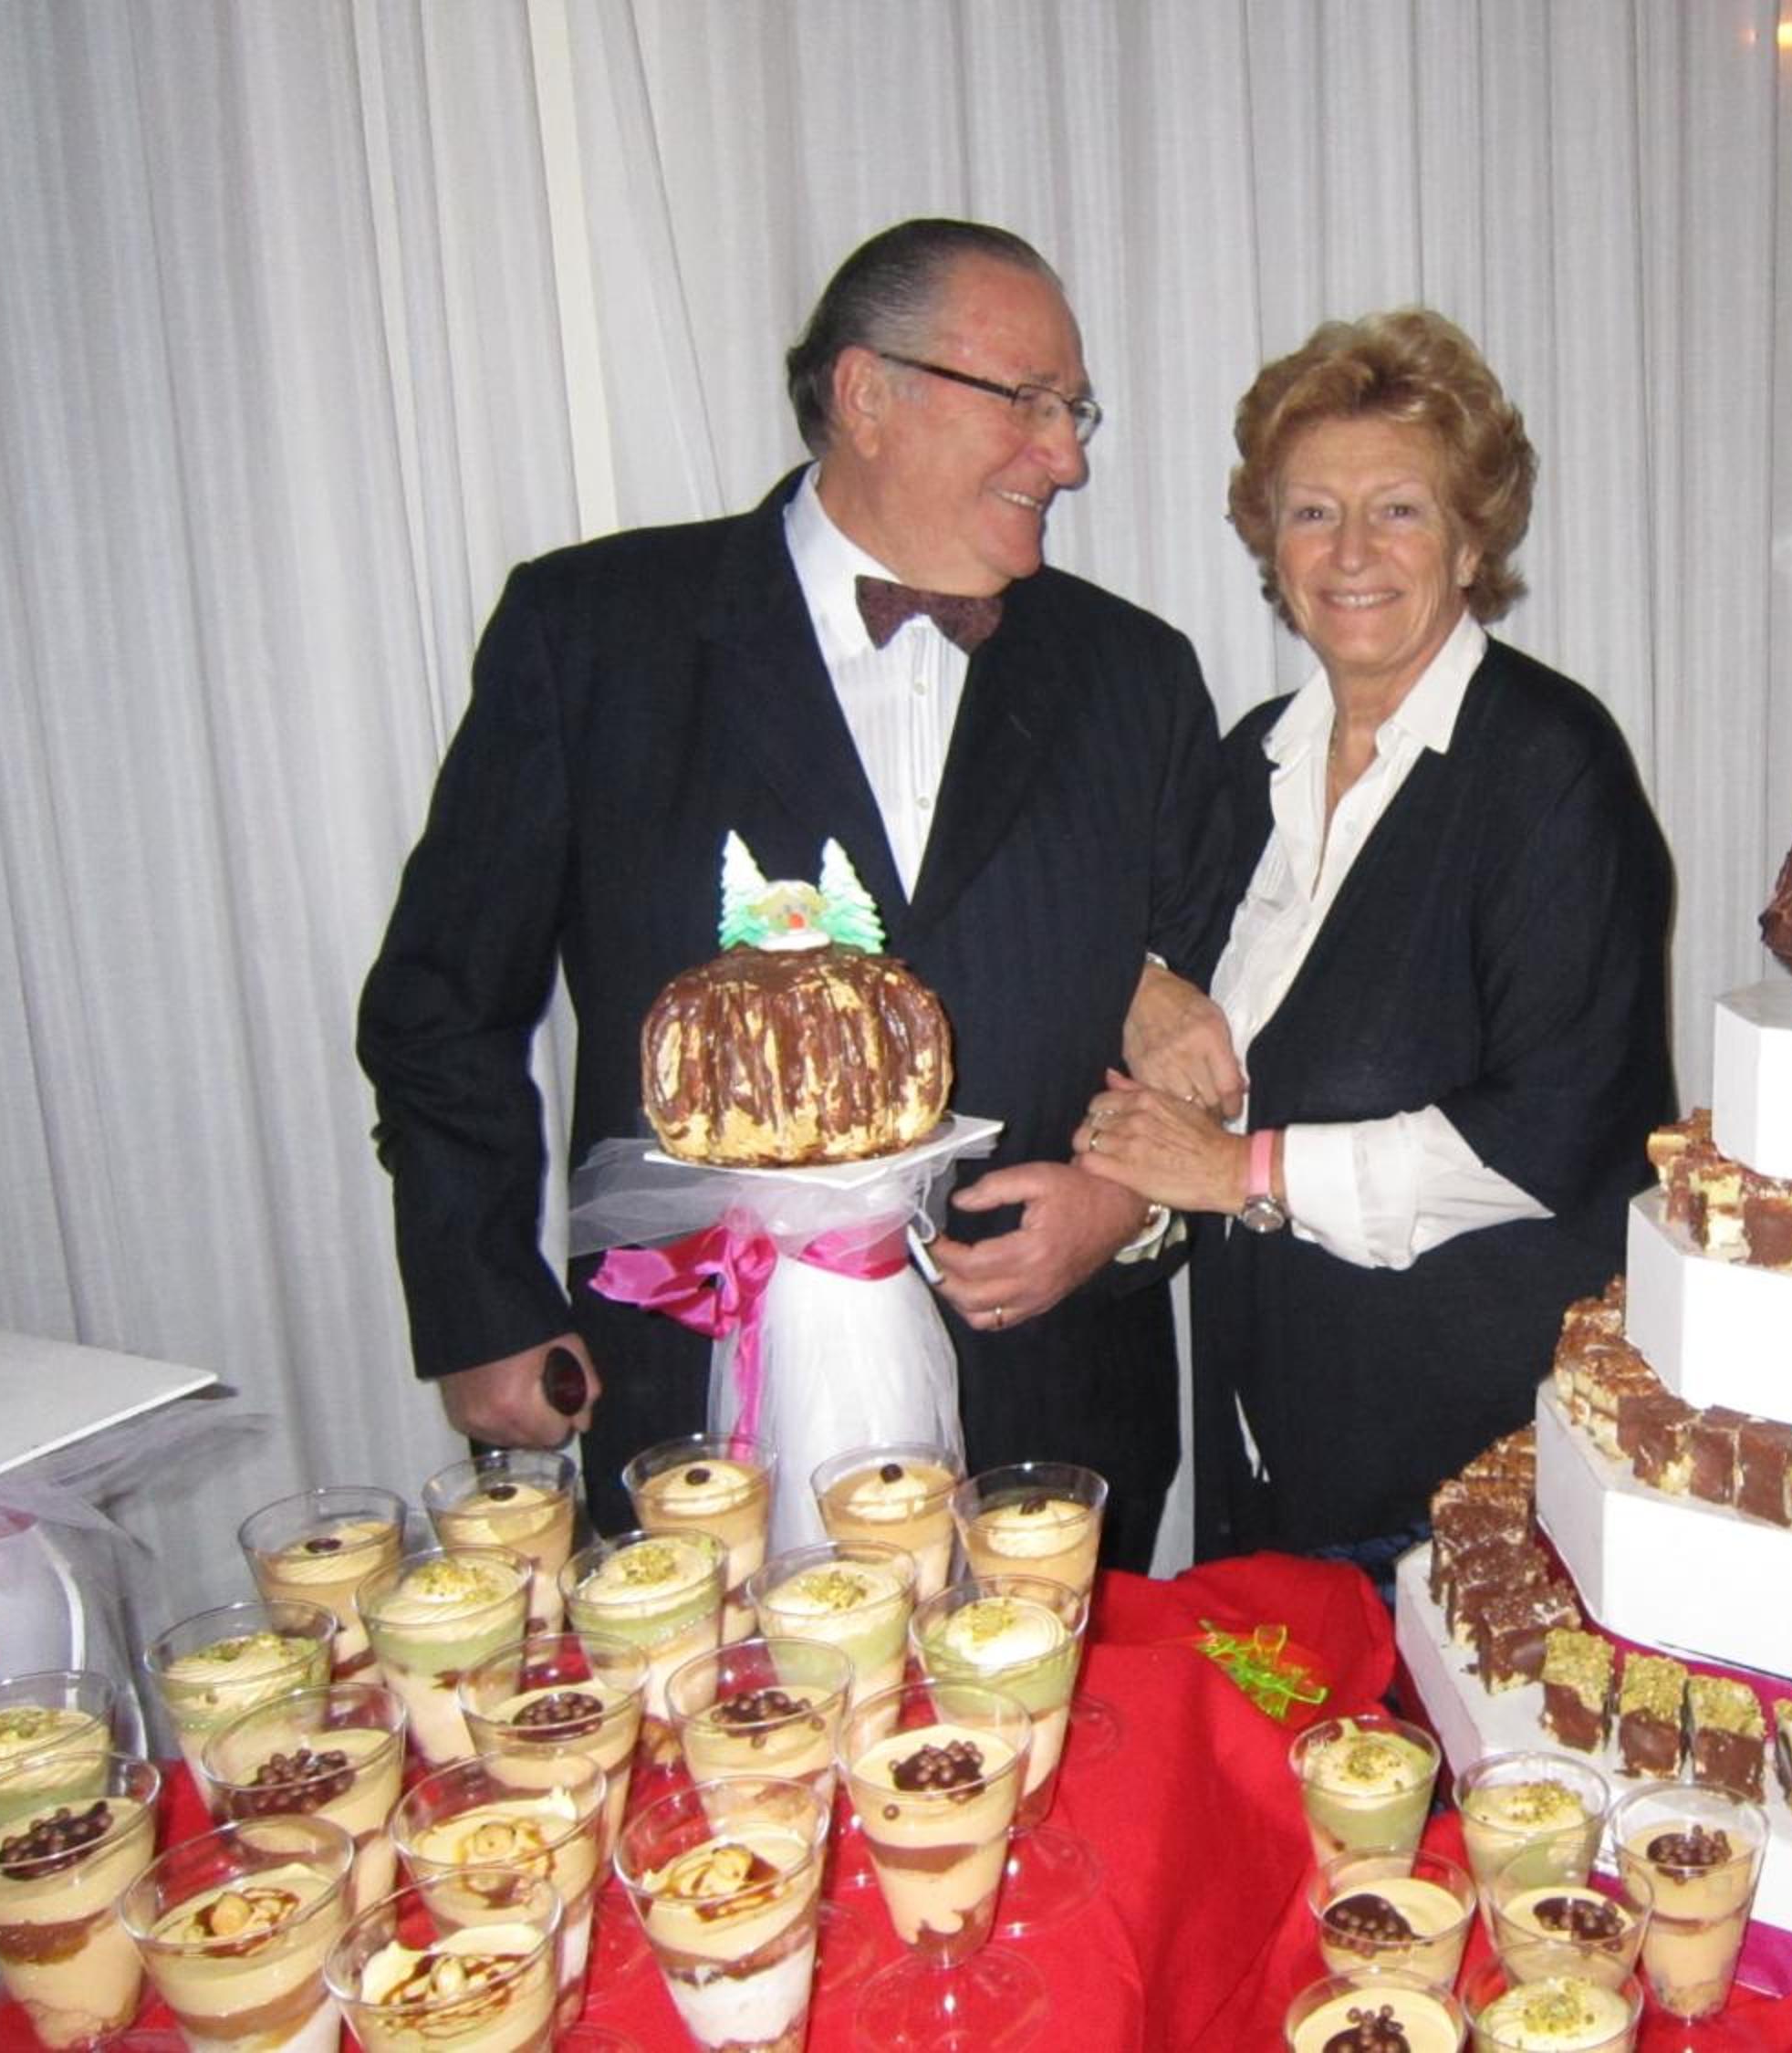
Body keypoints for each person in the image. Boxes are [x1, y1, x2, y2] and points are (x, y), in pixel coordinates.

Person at [358, 220, 1225, 1568]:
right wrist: (482, 1307)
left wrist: (1129, 1211)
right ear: (867, 392)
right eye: (1031, 402)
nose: (1067, 457)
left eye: (1074, 411)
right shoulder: (594, 636)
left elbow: (1219, 1018)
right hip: (699, 1401)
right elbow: (442, 1001)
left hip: (1051, 1416)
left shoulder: (1138, 676)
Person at [1076, 308, 1675, 1558]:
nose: (1350, 552)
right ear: (1270, 542)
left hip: (1470, 1465)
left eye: (1398, 509)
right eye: (1312, 511)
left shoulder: (1550, 767)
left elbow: (1554, 1135)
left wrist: (1242, 1172)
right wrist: (1142, 992)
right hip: (1268, 1429)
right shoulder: (1252, 760)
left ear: (1471, 542)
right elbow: (1167, 1011)